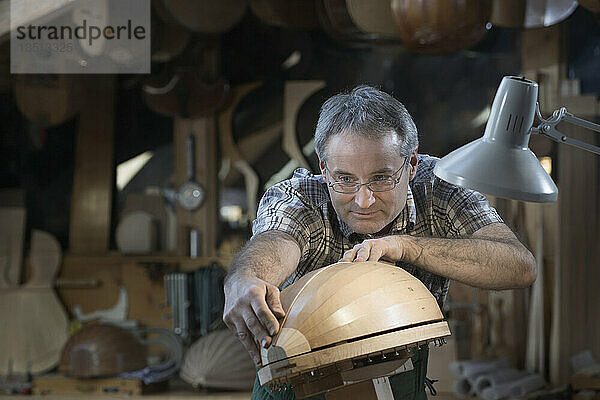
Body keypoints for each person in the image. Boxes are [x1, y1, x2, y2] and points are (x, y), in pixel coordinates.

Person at [223, 85, 537, 400]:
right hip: (299, 376)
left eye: (381, 178)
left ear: (412, 164)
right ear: (323, 167)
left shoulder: (442, 188)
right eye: (345, 179)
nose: (363, 200)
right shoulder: (300, 197)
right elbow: (277, 240)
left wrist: (406, 246)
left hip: (400, 373)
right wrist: (248, 278)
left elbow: (518, 267)